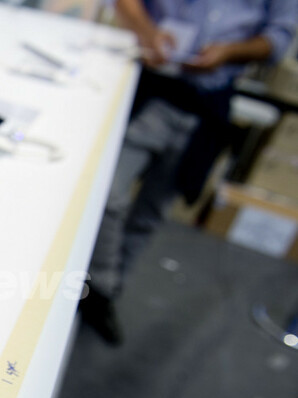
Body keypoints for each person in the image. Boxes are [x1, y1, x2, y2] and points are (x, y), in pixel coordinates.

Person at [80, 0, 298, 344]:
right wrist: (148, 32)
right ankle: (101, 285)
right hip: (152, 89)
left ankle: (107, 292)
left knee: (152, 212)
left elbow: (278, 38)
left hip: (207, 104)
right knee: (107, 192)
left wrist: (229, 52)